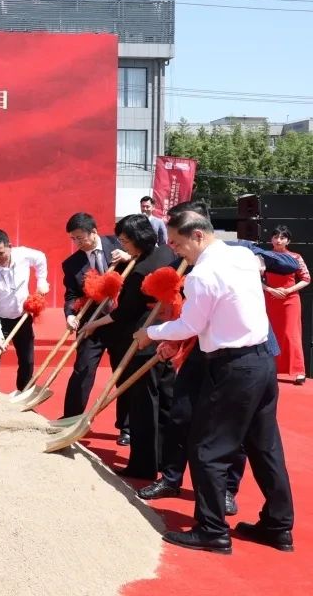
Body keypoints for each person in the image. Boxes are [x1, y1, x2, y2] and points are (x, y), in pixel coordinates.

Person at [134, 210, 295, 554]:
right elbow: (216, 316)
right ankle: (278, 526)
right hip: (261, 362)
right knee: (265, 447)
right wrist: (171, 337)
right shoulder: (243, 256)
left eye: (177, 244)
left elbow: (191, 325)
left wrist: (151, 333)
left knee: (208, 449)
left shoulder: (202, 275)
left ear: (198, 235)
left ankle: (212, 530)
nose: (176, 251)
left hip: (233, 368)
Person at [79, 214, 175, 480]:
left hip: (142, 341)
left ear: (138, 238)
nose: (122, 246)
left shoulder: (141, 270)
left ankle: (143, 465)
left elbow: (123, 314)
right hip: (165, 337)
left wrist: (93, 324)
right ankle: (164, 460)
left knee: (143, 405)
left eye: (124, 241)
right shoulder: (165, 254)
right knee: (164, 402)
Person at [60, 212, 130, 445]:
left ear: (94, 232)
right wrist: (70, 314)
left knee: (122, 371)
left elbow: (145, 261)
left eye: (80, 238)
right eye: (73, 239)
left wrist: (129, 256)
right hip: (92, 324)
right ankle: (71, 420)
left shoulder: (120, 244)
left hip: (121, 320)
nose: (77, 243)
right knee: (83, 370)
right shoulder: (72, 264)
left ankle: (126, 427)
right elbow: (71, 295)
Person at [0, 229, 49, 391]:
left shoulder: (22, 254)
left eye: (0, 253)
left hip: (23, 316)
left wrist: (42, 281)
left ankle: (23, 393)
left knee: (27, 361)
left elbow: (41, 258)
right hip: (0, 320)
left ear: (10, 246)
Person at [263, 225, 309, 384]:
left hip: (290, 300)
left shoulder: (296, 257)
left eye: (282, 237)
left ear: (288, 241)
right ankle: (272, 370)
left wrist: (288, 290)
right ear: (271, 239)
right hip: (270, 298)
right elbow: (254, 278)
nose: (278, 240)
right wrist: (269, 289)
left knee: (291, 333)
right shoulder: (264, 256)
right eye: (275, 237)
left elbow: (306, 279)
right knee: (271, 334)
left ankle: (298, 371)